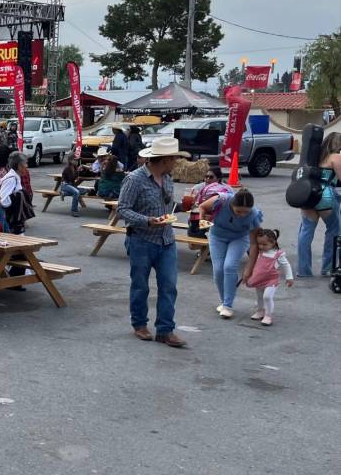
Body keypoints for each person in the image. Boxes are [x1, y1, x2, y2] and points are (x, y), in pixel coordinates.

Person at [116, 136, 189, 348]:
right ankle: (139, 324)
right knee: (140, 286)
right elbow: (122, 209)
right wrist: (148, 221)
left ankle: (165, 330)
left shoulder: (167, 178)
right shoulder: (134, 179)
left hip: (166, 239)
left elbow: (167, 205)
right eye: (174, 158)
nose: (176, 162)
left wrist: (184, 207)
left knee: (169, 286)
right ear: (164, 159)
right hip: (141, 240)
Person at [199, 187, 263, 319]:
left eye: (246, 212)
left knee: (229, 266)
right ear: (231, 204)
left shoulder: (254, 214)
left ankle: (228, 305)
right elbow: (202, 207)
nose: (242, 215)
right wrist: (201, 220)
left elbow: (254, 243)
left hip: (240, 238)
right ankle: (224, 301)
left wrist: (249, 268)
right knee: (218, 270)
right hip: (217, 235)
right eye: (238, 211)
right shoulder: (221, 200)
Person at [296, 132, 341, 277]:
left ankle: (303, 271)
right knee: (334, 231)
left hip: (308, 194)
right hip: (326, 196)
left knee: (306, 232)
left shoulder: (314, 158)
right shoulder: (336, 157)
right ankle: (327, 268)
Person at [244, 228, 294, 326]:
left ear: (273, 243)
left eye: (264, 244)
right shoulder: (259, 252)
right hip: (259, 279)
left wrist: (289, 277)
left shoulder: (278, 254)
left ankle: (268, 315)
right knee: (259, 297)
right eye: (259, 244)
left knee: (267, 297)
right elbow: (253, 263)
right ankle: (260, 311)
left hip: (271, 280)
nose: (261, 247)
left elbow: (286, 265)